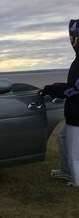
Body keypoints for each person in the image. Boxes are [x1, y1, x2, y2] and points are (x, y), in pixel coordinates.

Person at [41, 19, 79, 188]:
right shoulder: (77, 59)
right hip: (73, 113)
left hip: (78, 115)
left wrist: (51, 89)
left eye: (72, 36)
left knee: (74, 153)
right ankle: (66, 170)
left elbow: (73, 90)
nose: (70, 40)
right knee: (63, 137)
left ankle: (77, 179)